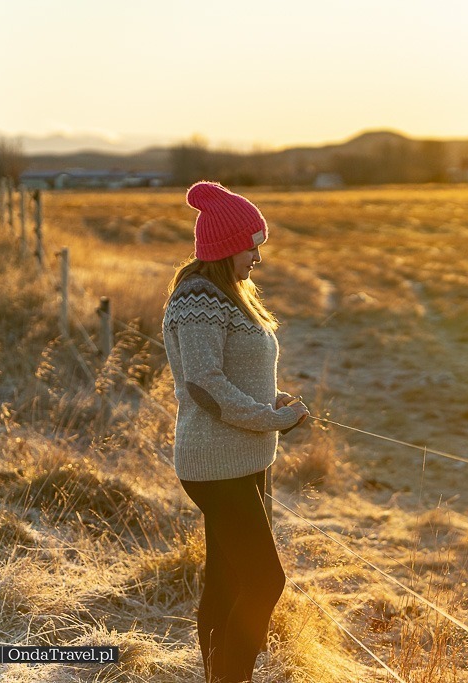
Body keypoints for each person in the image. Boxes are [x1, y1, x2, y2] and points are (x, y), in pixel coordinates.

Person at [162, 181, 309, 683]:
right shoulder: (198, 299)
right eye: (252, 245)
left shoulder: (226, 295)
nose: (257, 258)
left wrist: (273, 403)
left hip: (246, 459)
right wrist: (273, 420)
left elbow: (235, 378)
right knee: (266, 580)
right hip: (215, 464)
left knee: (225, 582)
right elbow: (206, 385)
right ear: (228, 245)